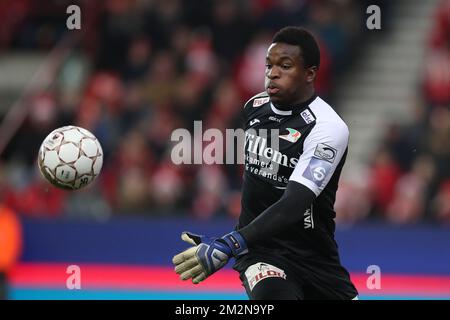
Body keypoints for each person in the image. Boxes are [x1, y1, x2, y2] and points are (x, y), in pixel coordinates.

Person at [172, 26, 358, 300]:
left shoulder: (328, 128)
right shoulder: (254, 107)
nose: (272, 73)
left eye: (285, 66)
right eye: (269, 65)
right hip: (262, 253)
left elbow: (295, 202)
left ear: (310, 73)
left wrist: (230, 243)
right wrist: (237, 240)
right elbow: (256, 184)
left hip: (316, 258)